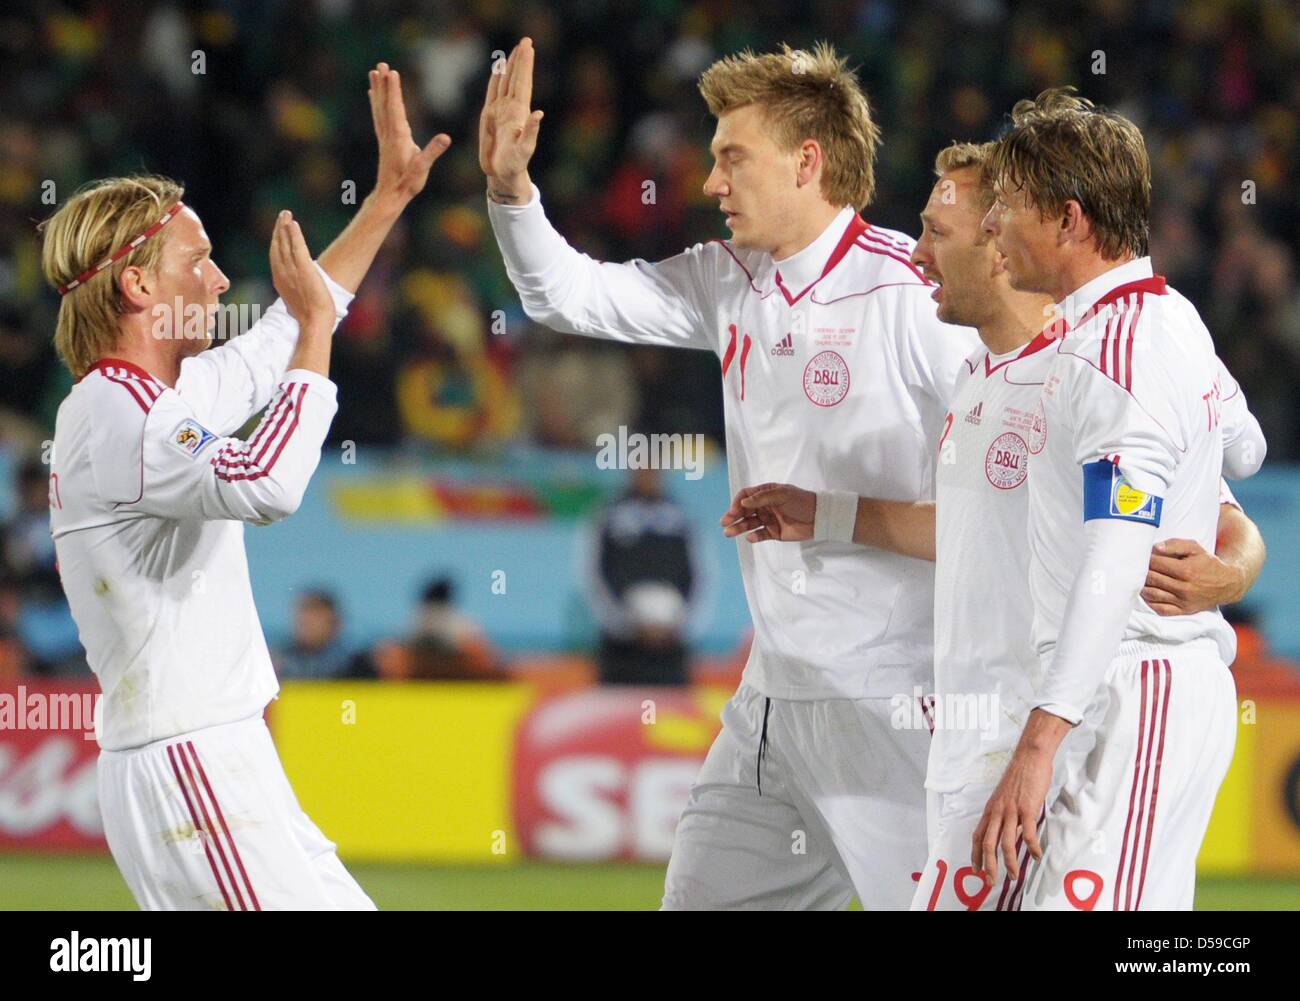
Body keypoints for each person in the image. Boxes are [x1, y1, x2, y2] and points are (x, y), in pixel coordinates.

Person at [482, 38, 979, 909]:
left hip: (898, 707)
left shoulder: (918, 298)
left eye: (729, 158)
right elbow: (566, 295)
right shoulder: (727, 281)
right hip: (771, 703)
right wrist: (512, 192)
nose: (710, 182)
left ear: (807, 161)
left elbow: (1007, 496)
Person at [725, 140, 1266, 910]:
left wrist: (1241, 560)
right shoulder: (982, 370)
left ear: (1003, 242)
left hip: (1078, 714)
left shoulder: (1109, 354)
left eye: (939, 232)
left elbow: (1201, 482)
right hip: (979, 736)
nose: (916, 255)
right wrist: (827, 514)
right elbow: (976, 532)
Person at [41, 64, 449, 910]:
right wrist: (322, 336)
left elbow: (278, 337)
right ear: (140, 285)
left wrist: (386, 199)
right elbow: (266, 483)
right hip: (190, 761)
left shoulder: (140, 402)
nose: (221, 281)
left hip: (211, 755)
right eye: (200, 262)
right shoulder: (124, 416)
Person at [973, 88, 1266, 910]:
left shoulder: (1115, 351)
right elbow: (1248, 445)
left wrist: (1041, 736)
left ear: (1069, 221)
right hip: (1114, 690)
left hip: (1139, 689)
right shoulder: (1168, 318)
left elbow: (1119, 544)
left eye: (1009, 206)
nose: (993, 224)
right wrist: (1228, 532)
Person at [582, 466, 703, 686]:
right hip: (621, 649)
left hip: (670, 643)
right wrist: (624, 624)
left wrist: (680, 623)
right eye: (641, 468)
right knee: (618, 713)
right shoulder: (608, 515)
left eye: (653, 469)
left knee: (670, 714)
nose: (647, 474)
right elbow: (593, 574)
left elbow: (700, 575)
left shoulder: (682, 517)